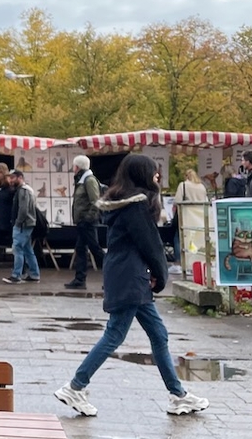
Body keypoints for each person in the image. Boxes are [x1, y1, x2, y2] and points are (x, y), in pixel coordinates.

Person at [53, 154, 209, 418]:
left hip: (127, 275)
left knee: (158, 334)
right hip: (131, 277)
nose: (158, 176)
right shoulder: (137, 206)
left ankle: (178, 395)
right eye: (154, 172)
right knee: (115, 334)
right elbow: (149, 243)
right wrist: (160, 273)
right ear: (142, 175)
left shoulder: (121, 204)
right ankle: (76, 386)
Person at [65, 154, 103, 290]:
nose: (73, 168)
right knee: (81, 249)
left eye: (74, 166)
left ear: (78, 167)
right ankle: (80, 279)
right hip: (83, 222)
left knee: (96, 249)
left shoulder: (89, 180)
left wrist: (88, 217)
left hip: (88, 222)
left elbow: (95, 201)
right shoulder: (82, 180)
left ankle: (113, 277)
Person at [3, 169, 39, 284]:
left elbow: (23, 209)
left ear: (20, 177)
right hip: (27, 224)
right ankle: (34, 274)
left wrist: (18, 223)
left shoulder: (23, 191)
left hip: (23, 225)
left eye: (13, 178)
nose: (11, 180)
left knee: (17, 248)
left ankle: (16, 275)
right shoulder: (26, 190)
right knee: (28, 250)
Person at [172, 168, 209, 267]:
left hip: (186, 215)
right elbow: (206, 200)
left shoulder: (183, 185)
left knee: (179, 238)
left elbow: (177, 200)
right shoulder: (202, 187)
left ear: (186, 176)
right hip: (199, 217)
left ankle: (179, 262)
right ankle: (196, 261)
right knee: (196, 239)